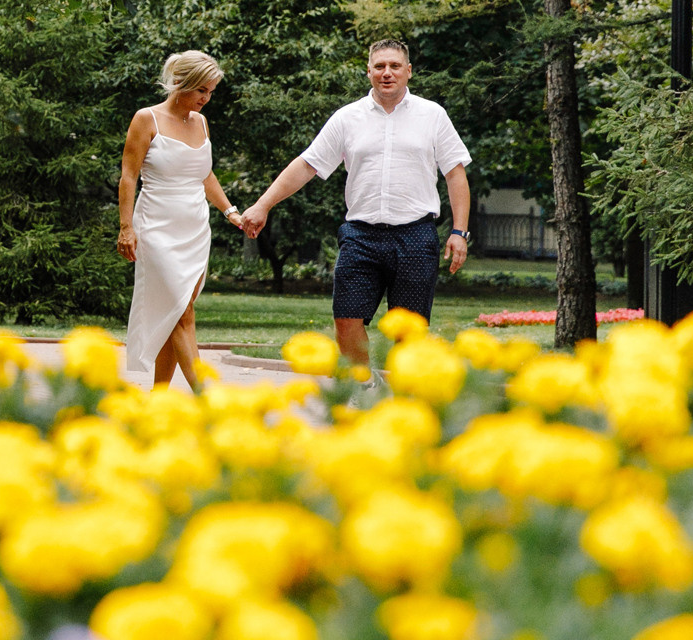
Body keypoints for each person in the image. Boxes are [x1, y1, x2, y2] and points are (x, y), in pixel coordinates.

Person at [239, 38, 471, 366]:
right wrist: (263, 204)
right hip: (360, 236)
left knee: (410, 331)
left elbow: (455, 174)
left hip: (416, 236)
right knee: (346, 319)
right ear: (368, 72)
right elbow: (307, 164)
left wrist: (459, 232)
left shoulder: (432, 116)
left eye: (394, 66)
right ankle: (364, 390)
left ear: (409, 71)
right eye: (379, 66)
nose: (386, 73)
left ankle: (401, 401)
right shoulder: (347, 118)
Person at [118, 50, 249, 387]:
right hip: (156, 227)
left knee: (176, 312)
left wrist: (230, 212)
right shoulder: (146, 119)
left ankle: (159, 399)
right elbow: (129, 177)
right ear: (180, 84)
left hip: (194, 228)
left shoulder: (201, 123)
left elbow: (204, 175)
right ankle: (207, 397)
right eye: (200, 90)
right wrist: (126, 227)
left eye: (210, 92)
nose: (205, 99)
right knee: (181, 313)